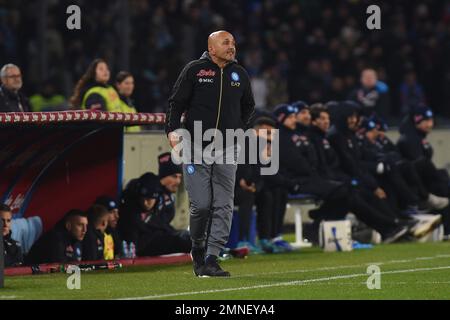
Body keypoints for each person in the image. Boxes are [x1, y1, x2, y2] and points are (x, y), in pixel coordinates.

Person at [165, 30, 255, 277]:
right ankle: (197, 248)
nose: (232, 46)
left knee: (224, 204)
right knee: (202, 205)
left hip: (227, 149)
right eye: (226, 42)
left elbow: (249, 107)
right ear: (211, 48)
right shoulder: (195, 70)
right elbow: (176, 103)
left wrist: (239, 129)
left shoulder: (240, 74)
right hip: (195, 146)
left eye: (234, 43)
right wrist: (172, 131)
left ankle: (212, 257)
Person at [118, 172, 191, 257]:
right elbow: (134, 242)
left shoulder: (160, 206)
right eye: (144, 198)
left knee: (186, 235)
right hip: (145, 246)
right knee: (181, 239)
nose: (146, 202)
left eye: (150, 199)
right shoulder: (130, 212)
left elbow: (163, 227)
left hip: (161, 237)